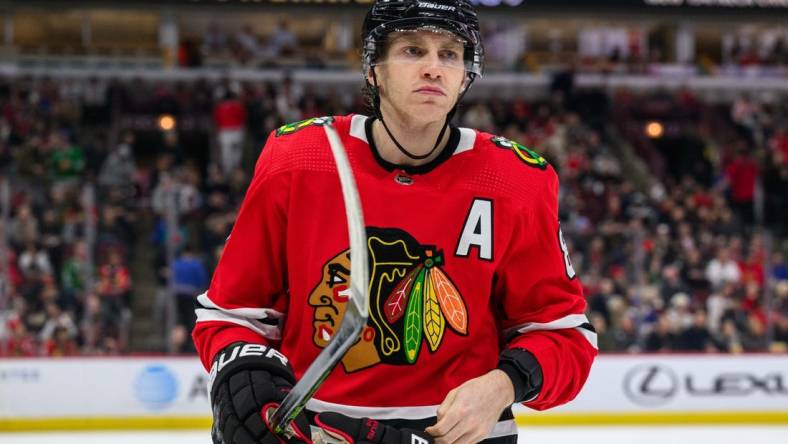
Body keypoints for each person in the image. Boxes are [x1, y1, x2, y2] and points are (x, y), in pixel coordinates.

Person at [192, 1, 597, 444]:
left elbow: (565, 336)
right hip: (315, 431)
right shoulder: (298, 159)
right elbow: (230, 315)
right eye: (411, 50)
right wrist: (245, 374)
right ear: (373, 70)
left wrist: (503, 385)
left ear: (465, 75)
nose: (433, 68)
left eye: (449, 54)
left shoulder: (518, 179)